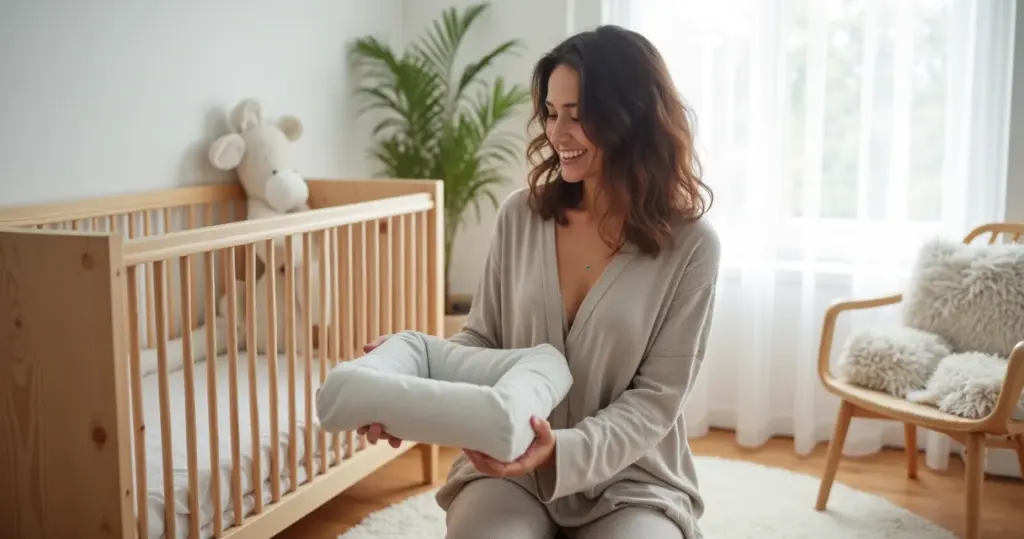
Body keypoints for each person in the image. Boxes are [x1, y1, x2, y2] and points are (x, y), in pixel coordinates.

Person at [358, 24, 719, 539]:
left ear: (632, 116)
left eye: (578, 116)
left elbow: (657, 400)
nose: (557, 133)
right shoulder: (521, 216)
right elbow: (483, 341)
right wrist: (408, 382)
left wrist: (560, 451)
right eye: (551, 114)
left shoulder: (693, 245)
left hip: (630, 476)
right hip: (507, 462)